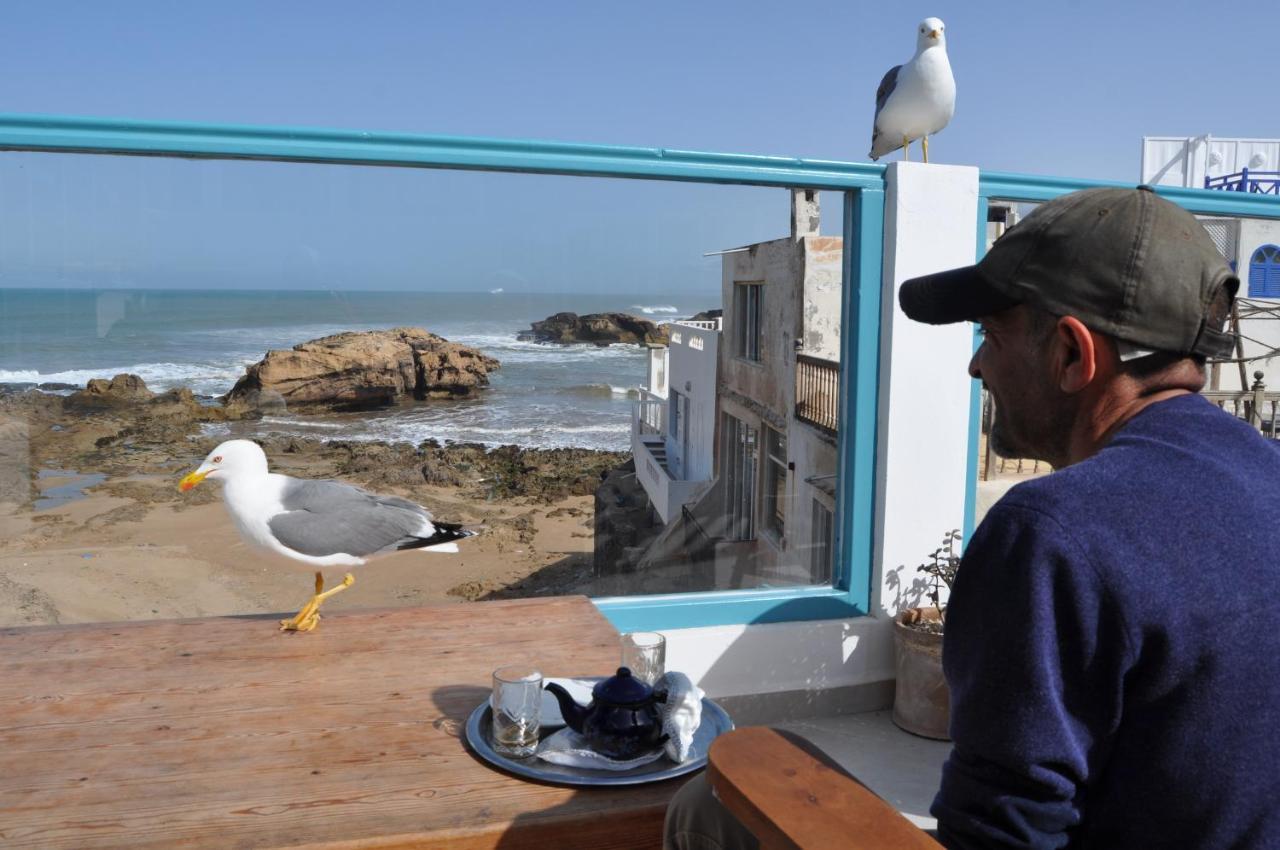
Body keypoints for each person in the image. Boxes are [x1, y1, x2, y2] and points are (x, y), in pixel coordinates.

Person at [665, 186, 1280, 849]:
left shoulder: (1055, 534)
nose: (976, 363)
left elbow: (1001, 834)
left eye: (992, 333)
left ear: (1073, 354)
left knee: (714, 799)